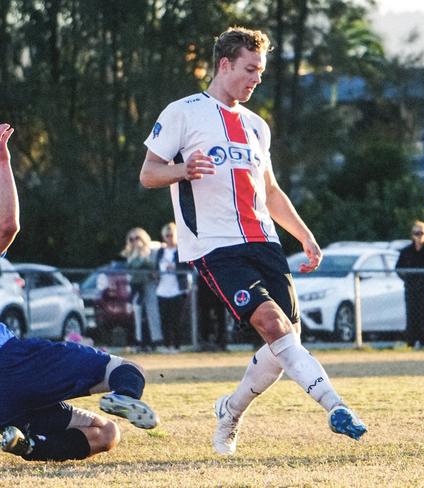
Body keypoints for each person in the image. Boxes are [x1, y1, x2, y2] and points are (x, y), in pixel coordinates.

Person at [140, 26, 367, 455]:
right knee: (274, 326)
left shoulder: (257, 126)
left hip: (264, 242)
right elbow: (149, 173)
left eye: (260, 71)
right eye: (250, 69)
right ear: (224, 65)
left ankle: (229, 411)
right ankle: (334, 406)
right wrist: (183, 170)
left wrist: (305, 236)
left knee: (286, 343)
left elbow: (271, 191)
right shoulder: (183, 112)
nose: (256, 79)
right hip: (215, 246)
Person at [0, 124, 159, 462]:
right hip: (12, 363)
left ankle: (29, 445)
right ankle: (126, 394)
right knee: (128, 370)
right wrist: (1, 161)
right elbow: (7, 228)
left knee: (105, 434)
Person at [396, 221, 424, 349]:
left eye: (421, 233)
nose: (419, 236)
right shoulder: (406, 251)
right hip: (410, 287)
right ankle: (410, 342)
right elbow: (398, 268)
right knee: (411, 314)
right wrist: (407, 278)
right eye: (416, 233)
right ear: (412, 235)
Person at [122, 227, 163, 351]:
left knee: (152, 312)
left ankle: (156, 341)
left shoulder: (152, 250)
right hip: (136, 287)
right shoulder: (130, 254)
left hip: (150, 285)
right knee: (138, 313)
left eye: (137, 237)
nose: (135, 241)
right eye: (131, 239)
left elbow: (157, 265)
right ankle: (140, 341)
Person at [156, 222, 192, 351]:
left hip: (178, 290)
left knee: (177, 320)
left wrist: (175, 267)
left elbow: (188, 267)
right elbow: (156, 267)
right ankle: (167, 345)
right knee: (165, 320)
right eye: (167, 235)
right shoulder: (160, 252)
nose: (169, 237)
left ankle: (177, 346)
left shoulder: (181, 250)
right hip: (162, 290)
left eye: (171, 235)